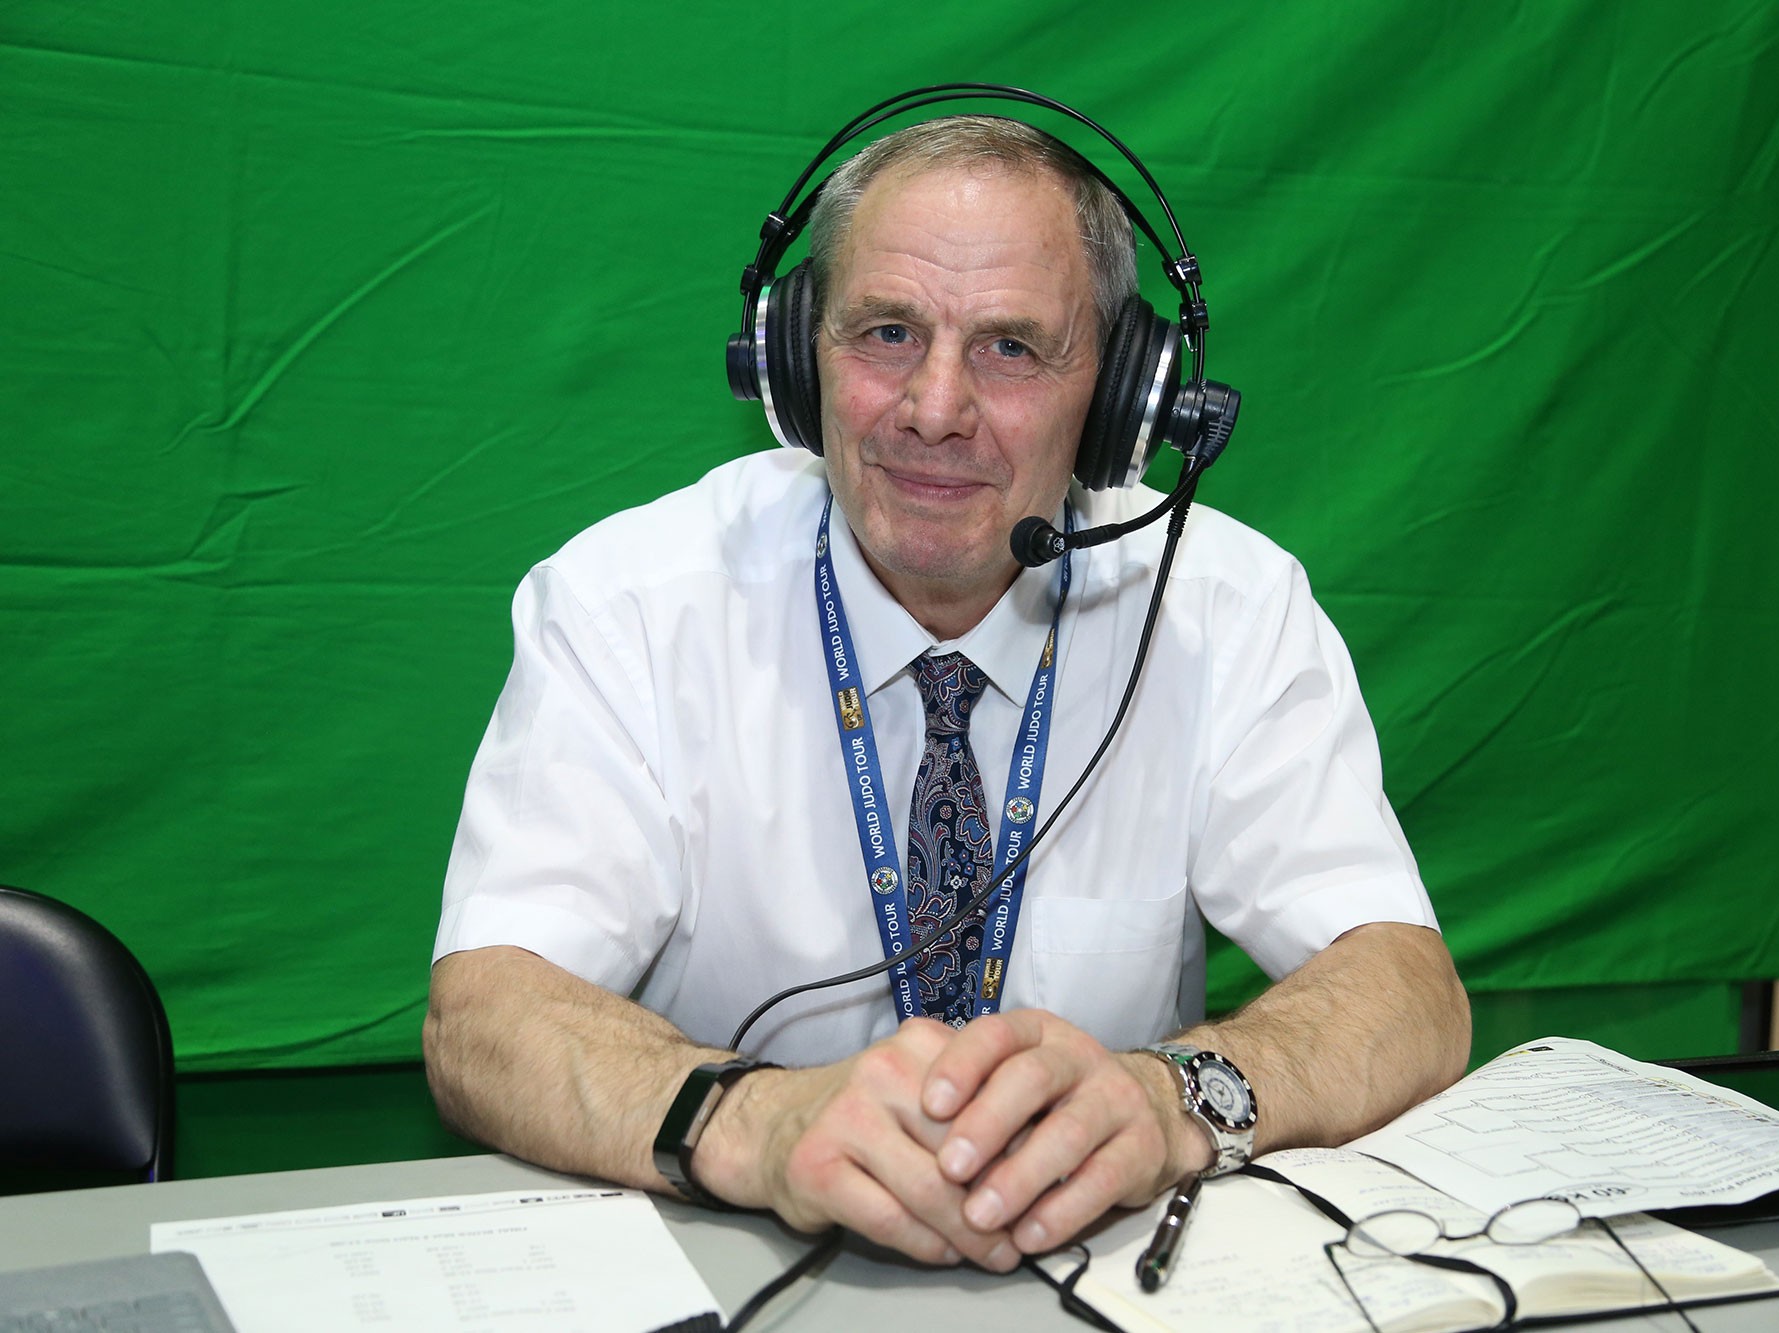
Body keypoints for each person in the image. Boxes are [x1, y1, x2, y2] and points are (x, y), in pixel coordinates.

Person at [425, 110, 1469, 1275]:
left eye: (1010, 348)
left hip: (1109, 1271)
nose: (932, 407)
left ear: (1123, 397)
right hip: (733, 1261)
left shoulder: (1225, 604)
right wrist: (754, 1122)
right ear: (791, 355)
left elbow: (1406, 993)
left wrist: (1171, 1096)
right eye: (884, 332)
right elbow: (485, 1016)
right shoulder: (627, 602)